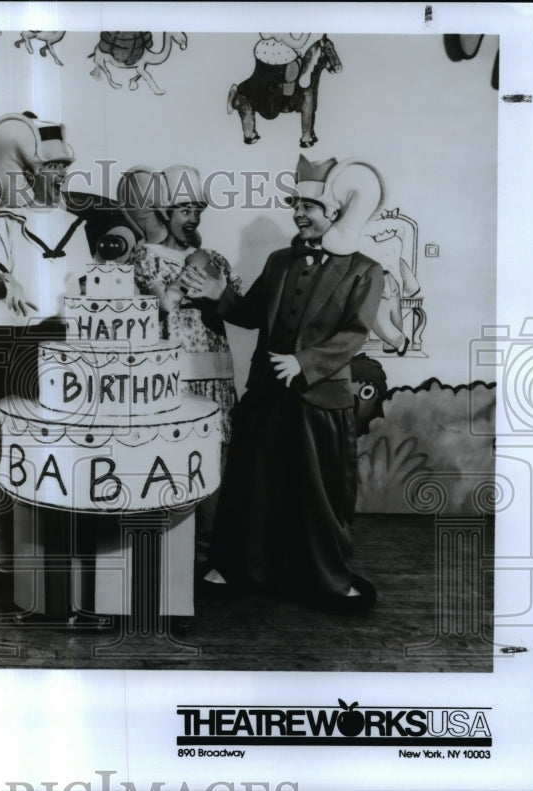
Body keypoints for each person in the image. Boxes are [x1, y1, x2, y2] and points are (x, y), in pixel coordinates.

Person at [183, 155, 385, 614]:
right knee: (251, 488)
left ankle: (326, 580)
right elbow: (251, 313)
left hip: (320, 400)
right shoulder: (278, 261)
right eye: (295, 204)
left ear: (334, 212)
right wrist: (220, 297)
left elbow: (353, 335)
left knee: (319, 496)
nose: (298, 212)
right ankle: (240, 568)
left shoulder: (365, 270)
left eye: (309, 206)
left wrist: (304, 362)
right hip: (266, 397)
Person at [0, 111, 92, 572]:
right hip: (13, 342)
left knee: (59, 446)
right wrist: (3, 282)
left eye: (62, 170)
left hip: (62, 346)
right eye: (50, 170)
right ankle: (4, 556)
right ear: (28, 171)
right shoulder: (2, 221)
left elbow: (85, 288)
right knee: (8, 447)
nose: (58, 179)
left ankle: (53, 548)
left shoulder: (75, 225)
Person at [121, 165, 242, 564]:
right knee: (171, 455)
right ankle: (167, 549)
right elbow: (158, 305)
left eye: (197, 210)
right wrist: (178, 285)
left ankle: (208, 552)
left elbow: (240, 307)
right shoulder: (146, 255)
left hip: (215, 371)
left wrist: (214, 283)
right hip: (172, 370)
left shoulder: (216, 258)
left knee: (217, 455)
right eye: (184, 210)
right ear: (166, 213)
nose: (192, 218)